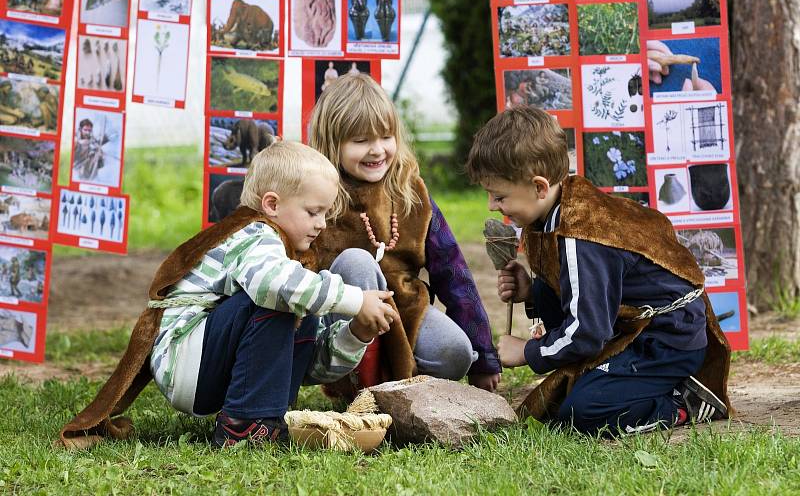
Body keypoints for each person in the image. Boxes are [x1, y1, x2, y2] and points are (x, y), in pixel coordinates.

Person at [59, 142, 399, 449]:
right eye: (313, 212)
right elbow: (274, 285)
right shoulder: (255, 234)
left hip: (210, 367)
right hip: (187, 361)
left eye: (325, 213)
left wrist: (356, 334)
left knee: (300, 297)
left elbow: (313, 367)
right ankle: (248, 424)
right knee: (283, 294)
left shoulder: (288, 258)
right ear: (272, 205)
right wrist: (355, 300)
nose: (323, 224)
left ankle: (266, 414)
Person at [465, 105, 731, 436]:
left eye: (499, 195)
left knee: (583, 411)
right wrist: (531, 292)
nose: (492, 205)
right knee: (548, 294)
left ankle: (680, 401)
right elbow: (581, 286)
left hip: (665, 340)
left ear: (538, 187)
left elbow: (588, 333)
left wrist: (528, 352)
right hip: (630, 323)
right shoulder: (560, 202)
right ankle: (600, 371)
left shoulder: (581, 235)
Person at [308, 74, 501, 395]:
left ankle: (392, 375)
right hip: (341, 323)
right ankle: (366, 390)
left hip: (403, 308)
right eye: (360, 141)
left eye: (385, 137)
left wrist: (484, 357)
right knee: (357, 263)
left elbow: (453, 274)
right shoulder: (316, 194)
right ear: (332, 143)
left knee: (457, 353)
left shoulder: (411, 192)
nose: (377, 150)